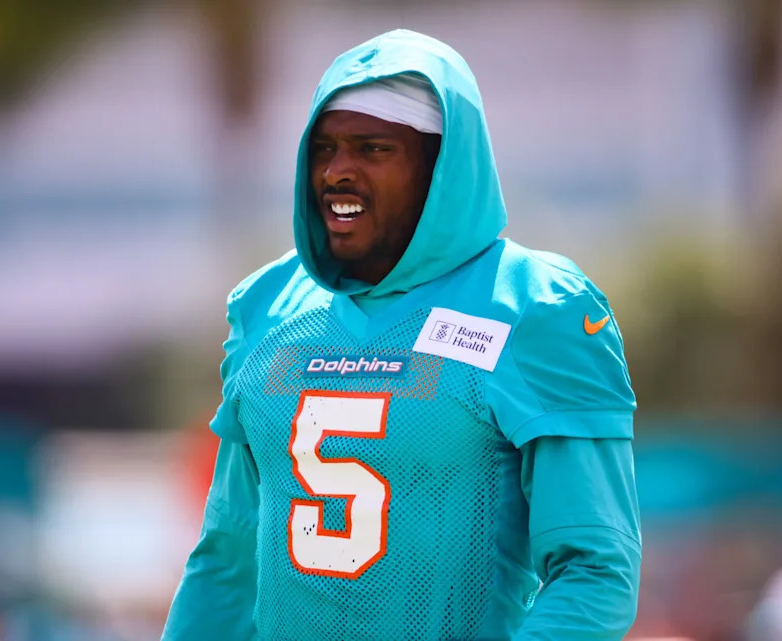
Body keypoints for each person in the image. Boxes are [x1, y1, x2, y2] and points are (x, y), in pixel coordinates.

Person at [162, 29, 641, 640]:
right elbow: (227, 561)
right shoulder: (269, 306)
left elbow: (595, 568)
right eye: (326, 147)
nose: (338, 171)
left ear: (440, 169)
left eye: (373, 148)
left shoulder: (537, 307)